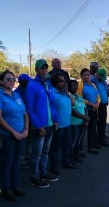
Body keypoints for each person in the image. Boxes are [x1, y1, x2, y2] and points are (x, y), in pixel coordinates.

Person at [0, 70, 28, 201]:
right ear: (0, 81)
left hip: (21, 134)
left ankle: (15, 185)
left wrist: (26, 129)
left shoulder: (16, 95)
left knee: (17, 161)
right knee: (7, 162)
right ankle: (6, 189)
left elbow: (25, 114)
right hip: (7, 135)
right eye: (8, 79)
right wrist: (14, 132)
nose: (12, 81)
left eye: (13, 79)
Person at [25, 59, 58, 187]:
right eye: (41, 68)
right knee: (37, 153)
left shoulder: (48, 84)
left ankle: (43, 174)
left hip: (50, 125)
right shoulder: (32, 85)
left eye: (46, 68)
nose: (44, 70)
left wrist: (55, 120)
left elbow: (52, 104)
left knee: (45, 152)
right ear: (36, 69)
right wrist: (38, 126)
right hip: (40, 127)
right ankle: (35, 177)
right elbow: (29, 108)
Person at [49, 73, 76, 172]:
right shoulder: (51, 92)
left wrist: (67, 92)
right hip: (58, 125)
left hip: (67, 124)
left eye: (64, 81)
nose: (64, 83)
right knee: (55, 147)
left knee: (67, 145)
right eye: (61, 81)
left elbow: (73, 103)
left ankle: (66, 162)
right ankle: (54, 167)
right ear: (55, 82)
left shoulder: (65, 93)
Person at [77, 68, 100, 154]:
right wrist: (91, 104)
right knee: (82, 131)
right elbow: (79, 98)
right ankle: (79, 149)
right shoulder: (80, 85)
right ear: (81, 76)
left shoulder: (93, 85)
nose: (86, 76)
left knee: (92, 129)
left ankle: (91, 147)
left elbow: (98, 96)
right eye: (84, 75)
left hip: (94, 110)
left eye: (88, 75)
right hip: (85, 110)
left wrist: (97, 103)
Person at [68, 79, 89, 164]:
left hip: (82, 123)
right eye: (72, 85)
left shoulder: (79, 97)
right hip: (74, 123)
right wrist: (84, 117)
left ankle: (76, 156)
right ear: (68, 87)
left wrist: (86, 118)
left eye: (76, 85)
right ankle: (70, 158)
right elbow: (72, 112)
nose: (75, 87)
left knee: (79, 141)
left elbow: (84, 108)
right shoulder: (69, 97)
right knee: (73, 142)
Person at [14, 73, 32, 168]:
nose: (28, 83)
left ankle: (27, 157)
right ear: (21, 82)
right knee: (22, 140)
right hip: (20, 118)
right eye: (26, 81)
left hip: (28, 118)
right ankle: (21, 159)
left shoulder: (28, 90)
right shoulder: (17, 92)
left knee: (29, 139)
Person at [91, 68, 109, 146]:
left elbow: (107, 89)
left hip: (103, 105)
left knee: (103, 123)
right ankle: (95, 141)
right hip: (96, 105)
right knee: (95, 123)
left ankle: (102, 139)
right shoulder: (92, 81)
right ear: (97, 75)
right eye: (101, 77)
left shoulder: (103, 81)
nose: (102, 79)